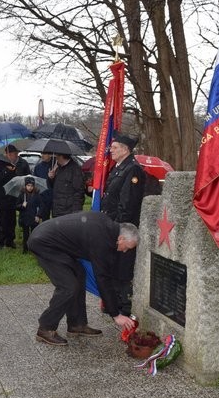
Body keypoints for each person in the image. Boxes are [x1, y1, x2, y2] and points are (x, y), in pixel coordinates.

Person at [27, 211, 138, 346]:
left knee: (79, 274)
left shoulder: (108, 227)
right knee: (68, 286)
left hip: (56, 243)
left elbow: (108, 271)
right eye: (126, 247)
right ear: (121, 238)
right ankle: (45, 328)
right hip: (43, 243)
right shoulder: (102, 239)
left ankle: (76, 324)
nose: (125, 251)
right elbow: (102, 278)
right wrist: (116, 315)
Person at [100, 134, 147, 316]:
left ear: (125, 149)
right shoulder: (119, 167)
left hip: (123, 226)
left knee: (123, 265)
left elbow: (127, 203)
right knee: (113, 263)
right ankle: (112, 302)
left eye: (115, 147)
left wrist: (118, 227)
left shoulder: (133, 169)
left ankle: (123, 305)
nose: (111, 150)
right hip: (112, 223)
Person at [0, 144, 30, 249]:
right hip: (1, 196)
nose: (9, 156)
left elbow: (27, 177)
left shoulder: (23, 163)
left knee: (11, 220)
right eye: (7, 154)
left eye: (12, 154)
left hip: (14, 196)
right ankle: (0, 241)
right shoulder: (0, 163)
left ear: (16, 154)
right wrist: (7, 170)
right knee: (1, 220)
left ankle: (10, 240)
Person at [48, 153, 85, 217]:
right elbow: (53, 187)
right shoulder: (57, 168)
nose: (55, 157)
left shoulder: (75, 169)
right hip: (57, 210)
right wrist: (51, 178)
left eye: (57, 155)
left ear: (61, 156)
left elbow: (79, 192)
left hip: (69, 212)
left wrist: (76, 211)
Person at [16, 176, 42, 253]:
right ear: (25, 186)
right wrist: (22, 206)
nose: (30, 187)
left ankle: (34, 249)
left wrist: (38, 215)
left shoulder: (37, 195)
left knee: (34, 234)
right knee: (25, 234)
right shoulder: (22, 195)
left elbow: (41, 206)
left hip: (34, 217)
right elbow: (17, 206)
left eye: (31, 186)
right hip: (25, 218)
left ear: (34, 186)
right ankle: (25, 249)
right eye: (28, 185)